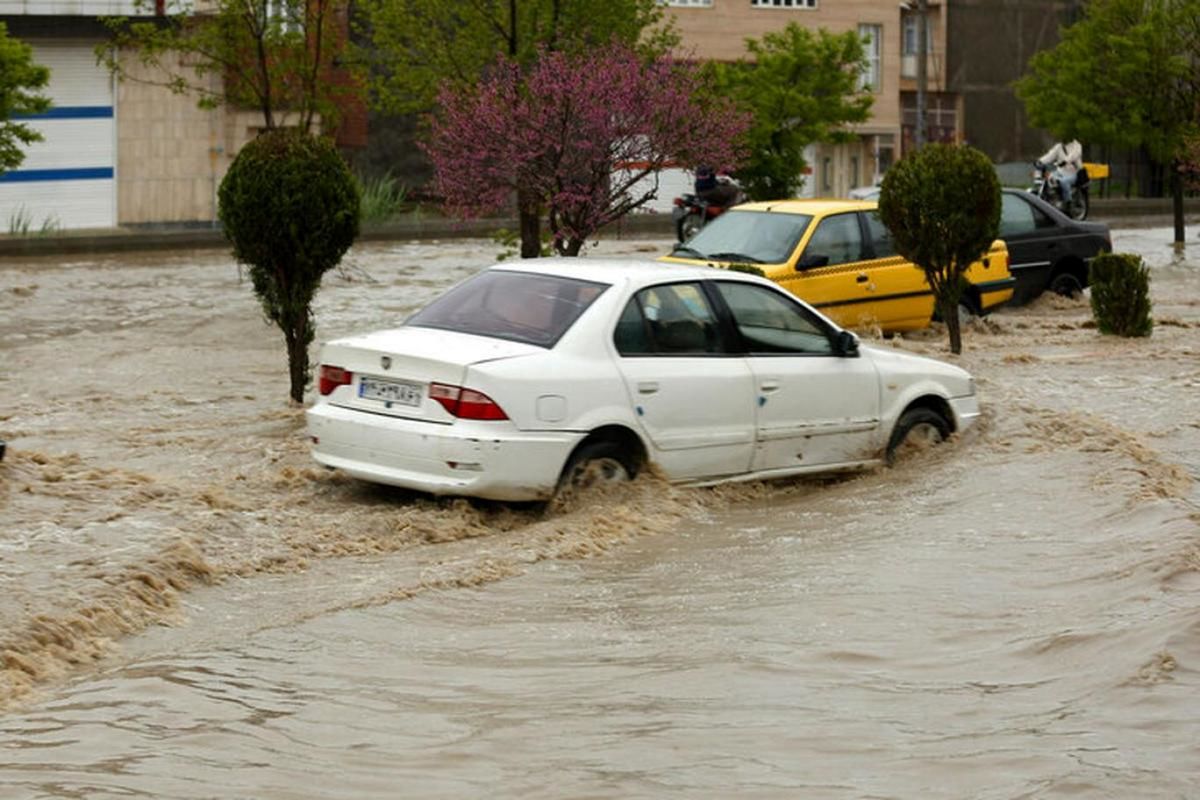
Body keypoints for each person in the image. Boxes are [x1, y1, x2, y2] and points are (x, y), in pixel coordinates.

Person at [1038, 139, 1083, 204]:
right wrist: (1040, 161)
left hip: (1074, 173)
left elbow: (1074, 155)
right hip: (1060, 172)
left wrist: (1065, 161)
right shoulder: (1059, 146)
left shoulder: (1077, 145)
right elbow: (1050, 156)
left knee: (1064, 182)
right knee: (1049, 178)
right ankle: (1053, 197)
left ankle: (1068, 202)